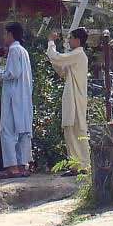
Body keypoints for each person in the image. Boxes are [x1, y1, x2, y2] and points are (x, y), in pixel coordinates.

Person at [47, 28, 91, 174]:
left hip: (75, 98)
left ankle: (81, 165)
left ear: (77, 40)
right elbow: (61, 68)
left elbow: (57, 58)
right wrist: (54, 55)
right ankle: (77, 165)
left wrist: (51, 43)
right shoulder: (76, 56)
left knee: (76, 131)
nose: (69, 41)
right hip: (74, 97)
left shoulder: (78, 54)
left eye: (71, 38)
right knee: (72, 131)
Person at [0, 21, 33, 178]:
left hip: (13, 97)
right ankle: (23, 165)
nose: (4, 37)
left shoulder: (13, 50)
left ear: (10, 34)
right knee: (23, 132)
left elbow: (13, 73)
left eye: (5, 34)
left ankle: (12, 167)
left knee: (8, 130)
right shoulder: (23, 51)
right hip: (24, 97)